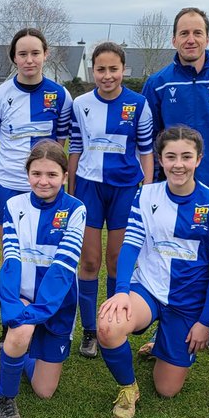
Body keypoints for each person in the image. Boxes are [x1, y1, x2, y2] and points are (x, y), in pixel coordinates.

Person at [95, 126, 209, 418]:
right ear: (160, 159)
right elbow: (130, 245)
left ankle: (165, 342)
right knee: (108, 325)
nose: (178, 164)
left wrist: (205, 323)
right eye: (170, 156)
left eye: (186, 156)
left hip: (187, 303)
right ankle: (128, 388)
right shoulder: (146, 194)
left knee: (167, 389)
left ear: (199, 159)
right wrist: (121, 291)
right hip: (147, 290)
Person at [140, 7, 209, 358]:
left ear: (207, 37)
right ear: (173, 39)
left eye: (197, 33)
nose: (190, 39)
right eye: (184, 33)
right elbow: (147, 139)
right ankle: (165, 327)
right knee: (166, 254)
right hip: (169, 192)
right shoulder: (158, 83)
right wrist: (154, 184)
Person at [67, 41, 154, 359]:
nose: (107, 76)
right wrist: (72, 190)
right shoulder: (81, 103)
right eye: (101, 69)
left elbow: (146, 151)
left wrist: (146, 191)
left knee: (117, 261)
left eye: (113, 69)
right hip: (90, 189)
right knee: (89, 262)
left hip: (125, 190)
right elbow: (75, 148)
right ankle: (90, 330)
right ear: (93, 70)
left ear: (123, 70)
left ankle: (111, 323)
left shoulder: (139, 104)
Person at [0, 142, 87, 418]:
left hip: (57, 304)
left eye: (51, 174)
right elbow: (11, 259)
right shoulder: (14, 206)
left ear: (64, 176)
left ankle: (19, 353)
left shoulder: (76, 209)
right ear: (28, 174)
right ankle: (4, 398)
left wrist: (40, 311)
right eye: (36, 174)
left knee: (44, 391)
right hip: (23, 296)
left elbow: (63, 267)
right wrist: (13, 308)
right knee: (20, 329)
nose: (43, 181)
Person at [0, 27, 74, 232]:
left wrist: (47, 169)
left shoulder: (61, 96)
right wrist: (5, 165)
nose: (29, 60)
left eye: (35, 53)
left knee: (46, 249)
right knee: (9, 252)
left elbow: (60, 141)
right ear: (14, 57)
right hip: (9, 184)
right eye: (23, 54)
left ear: (45, 54)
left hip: (47, 184)